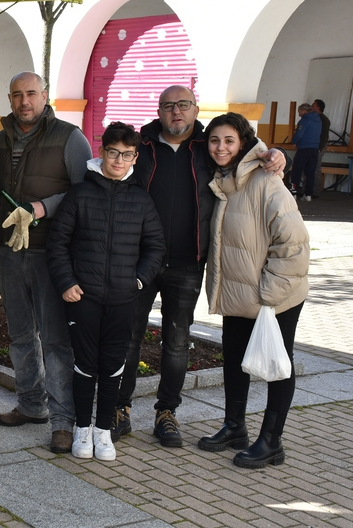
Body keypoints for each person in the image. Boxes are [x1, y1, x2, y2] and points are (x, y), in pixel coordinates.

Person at [112, 85, 287, 448]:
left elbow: (249, 155)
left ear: (195, 109)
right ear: (159, 111)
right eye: (168, 106)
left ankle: (166, 413)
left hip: (188, 264)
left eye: (184, 105)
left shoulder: (208, 149)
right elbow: (107, 168)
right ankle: (119, 409)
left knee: (177, 341)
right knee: (128, 336)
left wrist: (277, 154)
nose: (176, 112)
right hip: (140, 262)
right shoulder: (141, 146)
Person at [46, 122, 165, 461]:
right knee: (84, 365)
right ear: (102, 151)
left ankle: (103, 431)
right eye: (113, 152)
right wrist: (67, 283)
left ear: (135, 157)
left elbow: (156, 246)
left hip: (123, 299)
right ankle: (82, 429)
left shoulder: (141, 199)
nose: (119, 160)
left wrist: (138, 281)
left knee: (113, 366)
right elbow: (58, 243)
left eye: (127, 155)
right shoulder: (81, 194)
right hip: (84, 298)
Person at [198, 112, 309, 469]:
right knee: (234, 360)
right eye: (215, 141)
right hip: (239, 295)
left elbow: (293, 242)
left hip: (274, 297)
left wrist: (269, 295)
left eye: (229, 141)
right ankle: (234, 427)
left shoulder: (266, 180)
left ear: (243, 143)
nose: (220, 147)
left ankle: (271, 441)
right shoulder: (225, 179)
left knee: (279, 365)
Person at [0, 71, 92, 454]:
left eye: (31, 93)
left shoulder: (69, 137)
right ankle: (31, 404)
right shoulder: (1, 139)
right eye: (17, 95)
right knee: (19, 336)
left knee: (55, 340)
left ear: (44, 95)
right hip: (10, 252)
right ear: (10, 98)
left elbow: (85, 194)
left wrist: (41, 208)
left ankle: (63, 421)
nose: (24, 102)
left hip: (51, 253)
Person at [290, 105, 321, 201]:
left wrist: (294, 142)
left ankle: (293, 193)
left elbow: (299, 134)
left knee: (296, 171)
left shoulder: (304, 120)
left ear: (303, 111)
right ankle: (308, 195)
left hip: (303, 149)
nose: (299, 114)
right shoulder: (318, 121)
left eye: (299, 112)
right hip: (314, 150)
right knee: (310, 173)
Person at [311, 99, 331, 197]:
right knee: (309, 168)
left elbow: (324, 136)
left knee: (315, 169)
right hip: (313, 146)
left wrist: (320, 147)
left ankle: (315, 191)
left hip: (318, 147)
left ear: (318, 107)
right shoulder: (314, 118)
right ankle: (308, 190)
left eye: (313, 105)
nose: (311, 106)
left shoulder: (323, 119)